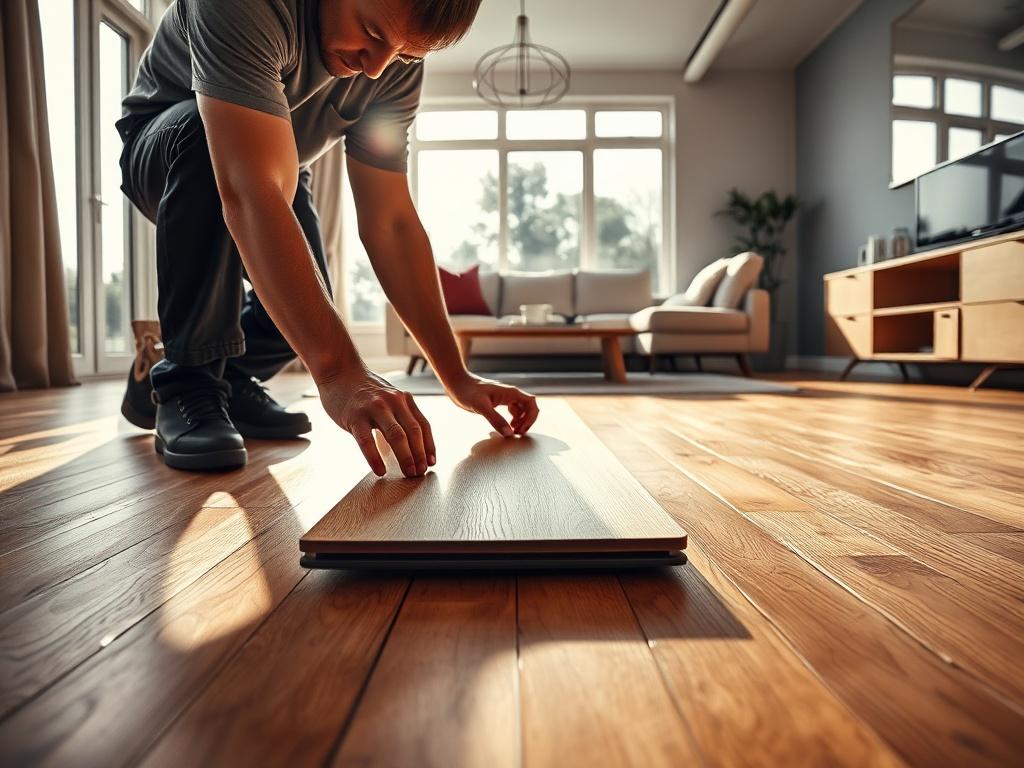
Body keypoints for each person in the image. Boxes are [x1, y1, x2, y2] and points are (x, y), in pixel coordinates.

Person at [116, 0, 539, 475]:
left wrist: (455, 377)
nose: (376, 69)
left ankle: (201, 377)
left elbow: (391, 222)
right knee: (204, 135)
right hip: (169, 148)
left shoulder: (393, 67)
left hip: (280, 168)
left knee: (300, 311)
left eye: (403, 55)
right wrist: (341, 374)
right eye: (372, 34)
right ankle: (188, 383)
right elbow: (245, 190)